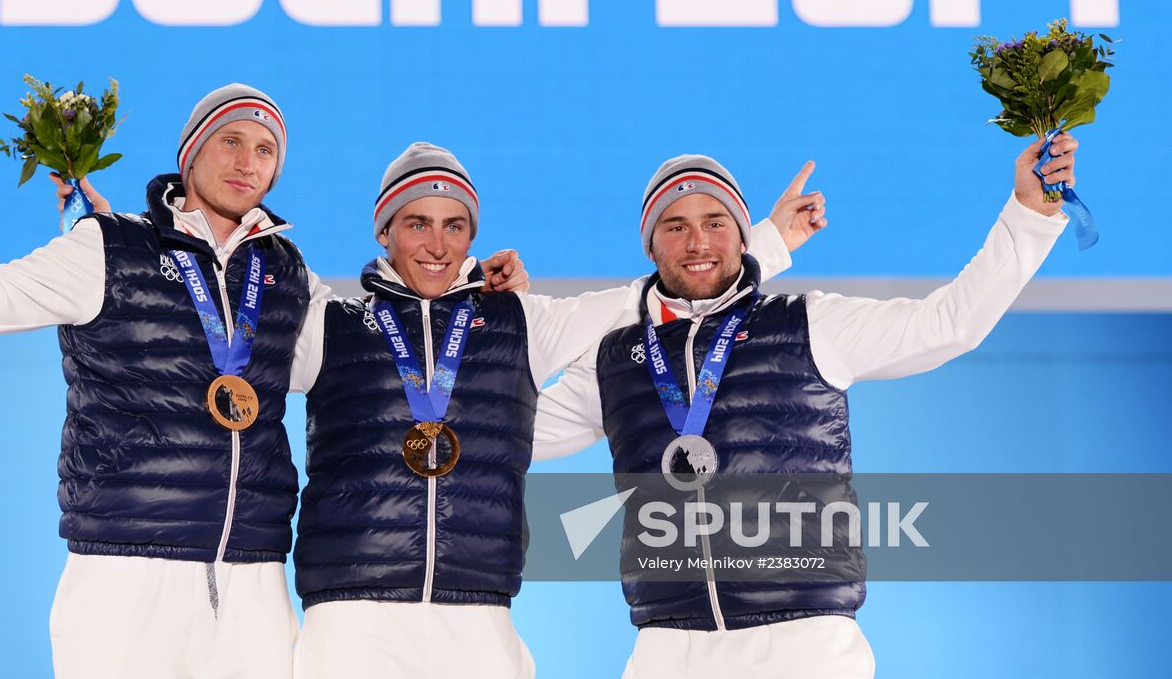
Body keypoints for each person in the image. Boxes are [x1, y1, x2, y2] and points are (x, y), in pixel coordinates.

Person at [0, 85, 525, 679]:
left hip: (253, 583)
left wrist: (474, 289)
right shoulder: (108, 248)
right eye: (231, 142)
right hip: (125, 573)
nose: (247, 163)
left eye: (265, 150)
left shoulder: (286, 273)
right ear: (190, 154)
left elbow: (382, 353)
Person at [531, 136, 1078, 678]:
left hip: (804, 645)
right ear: (651, 247)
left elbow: (949, 324)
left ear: (743, 237)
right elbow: (505, 433)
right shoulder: (616, 360)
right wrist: (475, 309)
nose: (697, 241)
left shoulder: (808, 324)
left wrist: (1030, 214)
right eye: (675, 227)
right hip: (669, 649)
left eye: (716, 223)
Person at [283, 143, 827, 679]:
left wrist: (771, 242)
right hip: (350, 617)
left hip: (477, 616)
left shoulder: (519, 322)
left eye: (454, 225)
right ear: (384, 231)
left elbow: (658, 295)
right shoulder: (332, 326)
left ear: (472, 236)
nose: (436, 244)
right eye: (416, 223)